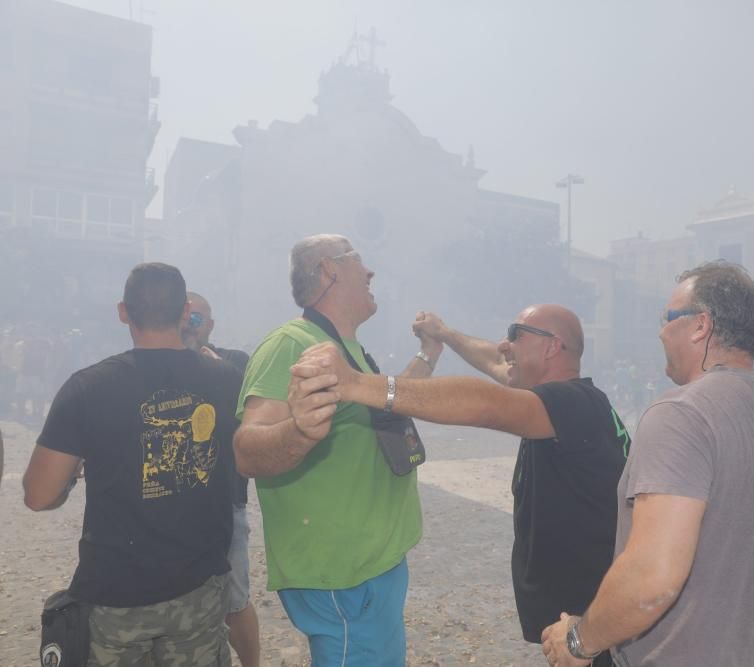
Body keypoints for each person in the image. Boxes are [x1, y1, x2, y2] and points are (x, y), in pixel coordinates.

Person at [291, 304, 630, 666]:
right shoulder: (564, 405)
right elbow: (495, 366)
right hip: (584, 618)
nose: (504, 344)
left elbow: (485, 404)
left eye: (516, 333)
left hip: (595, 626)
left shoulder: (573, 402)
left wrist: (358, 384)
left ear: (552, 347)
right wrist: (446, 335)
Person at [539, 260, 754, 667]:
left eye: (667, 318)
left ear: (699, 326)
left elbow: (651, 578)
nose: (659, 332)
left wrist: (579, 640)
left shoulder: (681, 414)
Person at [233, 234, 440, 666]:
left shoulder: (347, 351)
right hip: (343, 577)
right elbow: (247, 451)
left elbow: (392, 400)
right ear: (329, 271)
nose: (370, 272)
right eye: (358, 261)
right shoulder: (291, 343)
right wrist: (300, 431)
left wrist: (429, 352)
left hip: (368, 568)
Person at [22, 262, 241, 665]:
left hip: (116, 592)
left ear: (123, 312)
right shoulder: (224, 379)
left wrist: (72, 477)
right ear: (183, 313)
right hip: (198, 587)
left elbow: (38, 495)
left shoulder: (87, 388)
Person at [181, 291, 260, 667]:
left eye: (197, 318)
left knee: (235, 600)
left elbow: (250, 421)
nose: (188, 324)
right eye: (183, 316)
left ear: (210, 325)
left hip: (226, 500)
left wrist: (215, 372)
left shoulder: (232, 363)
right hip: (170, 504)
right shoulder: (159, 368)